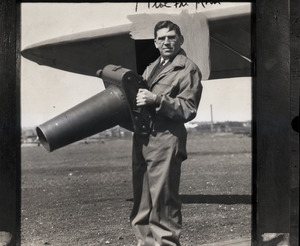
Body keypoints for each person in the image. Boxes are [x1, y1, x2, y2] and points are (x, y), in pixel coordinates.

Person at [131, 20, 203, 246]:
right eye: (161, 38)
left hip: (166, 140)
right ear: (155, 42)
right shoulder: (151, 68)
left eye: (171, 37)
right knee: (142, 203)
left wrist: (157, 100)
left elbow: (188, 109)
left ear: (180, 40)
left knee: (163, 202)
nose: (166, 42)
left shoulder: (188, 69)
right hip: (143, 139)